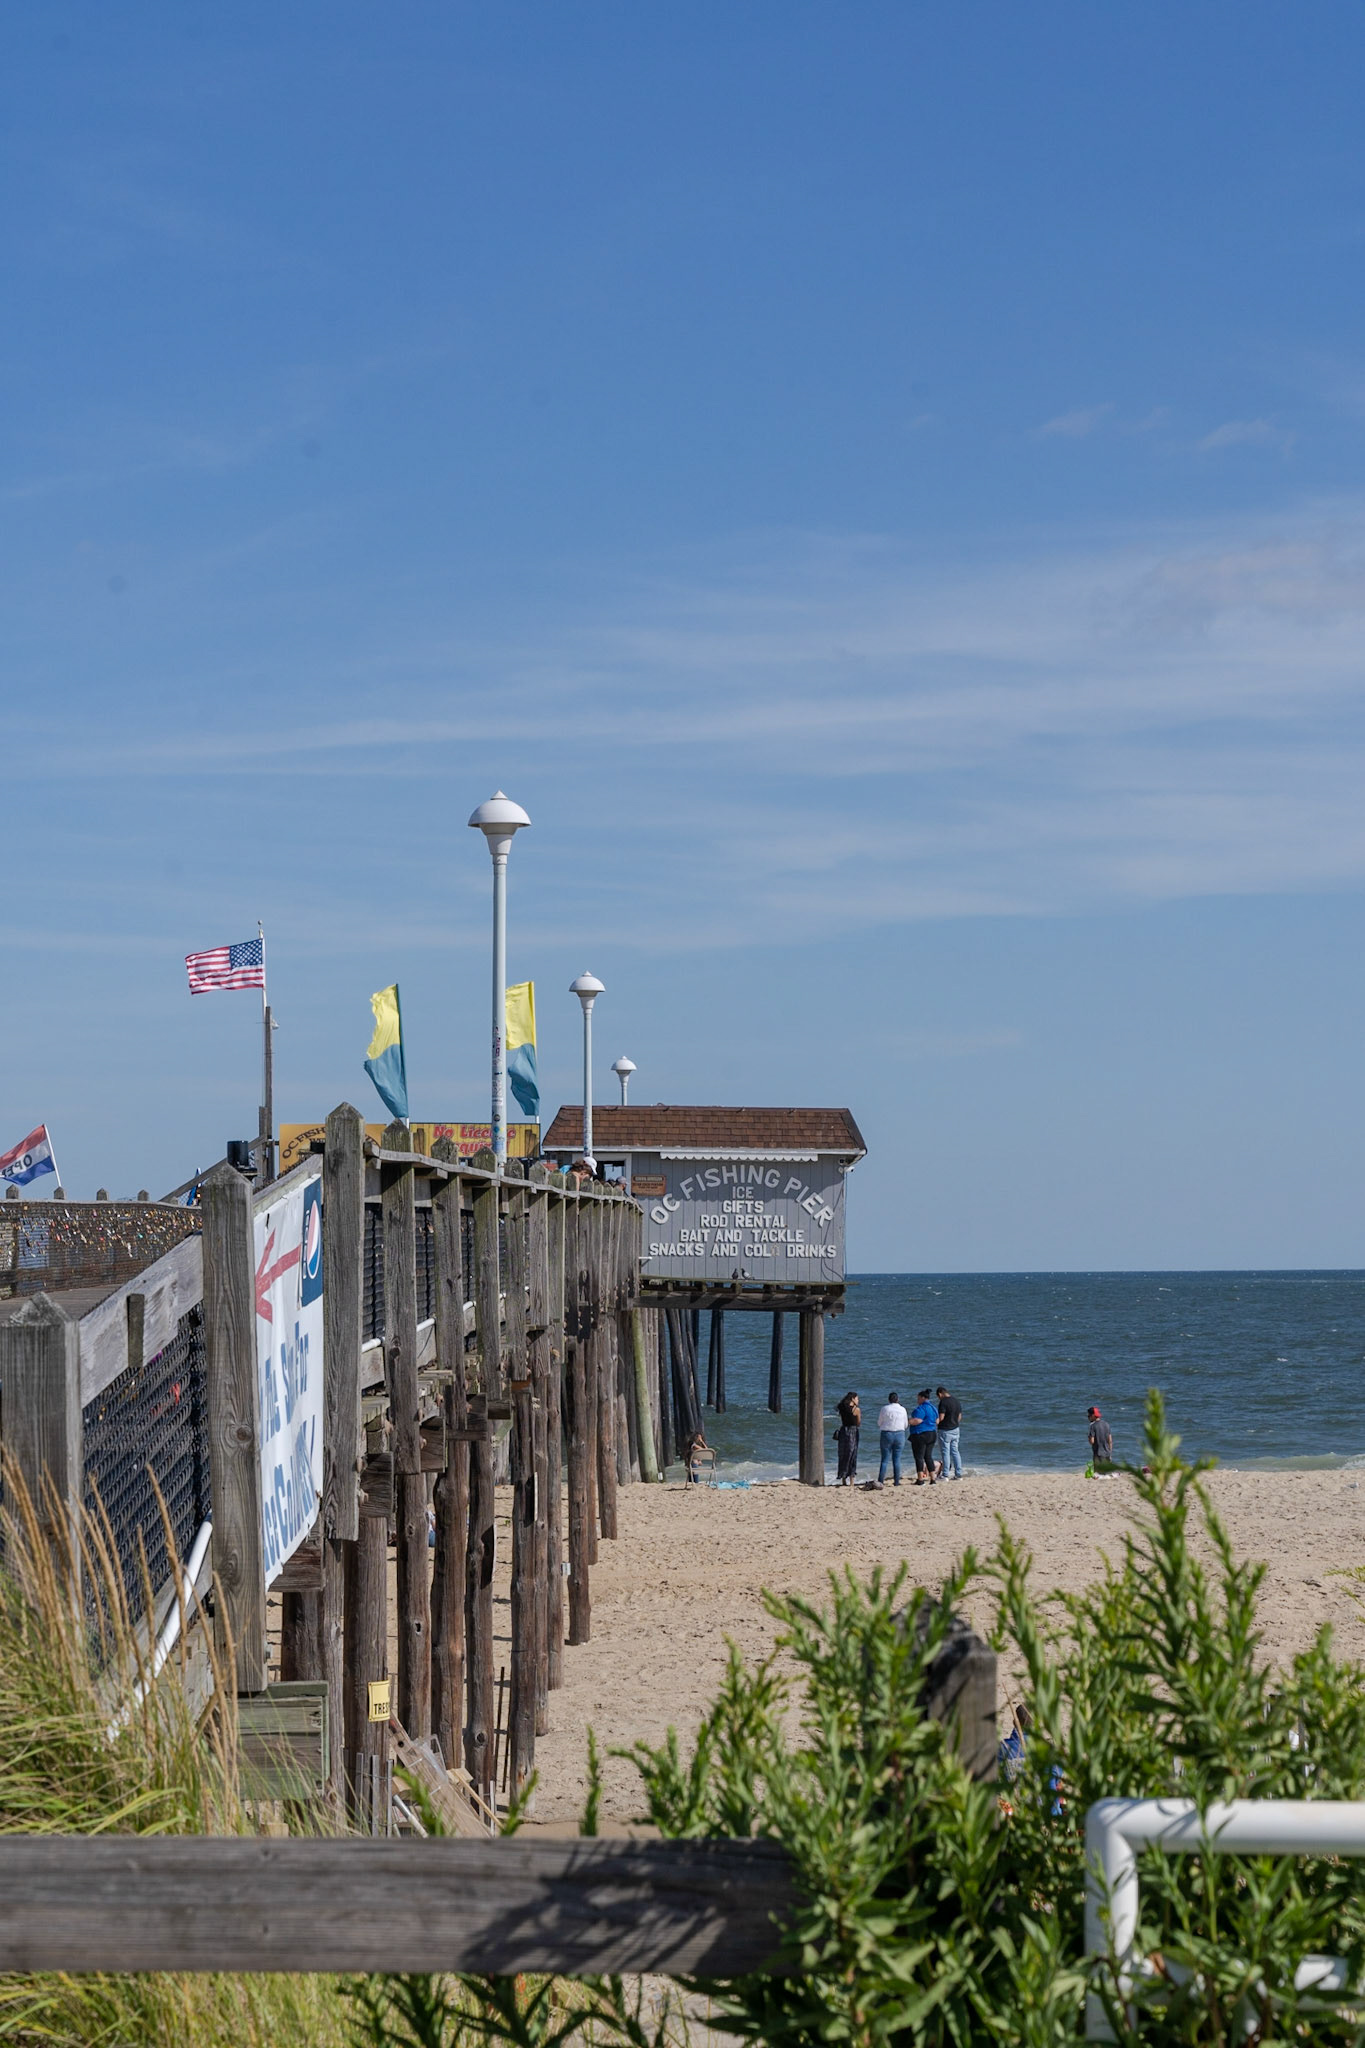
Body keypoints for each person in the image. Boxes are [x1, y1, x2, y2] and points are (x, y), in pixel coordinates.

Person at [876, 1391, 908, 1486]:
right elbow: (906, 1424)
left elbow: (879, 1422)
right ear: (897, 1400)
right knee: (897, 1459)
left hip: (887, 1433)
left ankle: (881, 1481)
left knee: (885, 1459)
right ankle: (897, 1481)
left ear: (889, 1400)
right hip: (899, 1434)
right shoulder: (903, 1409)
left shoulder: (885, 1408)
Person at [909, 1388, 939, 1485]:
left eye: (918, 1398)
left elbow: (918, 1420)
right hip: (932, 1433)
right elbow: (937, 1421)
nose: (917, 1400)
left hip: (921, 1434)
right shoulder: (933, 1408)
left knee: (919, 1457)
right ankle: (933, 1478)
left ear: (922, 1398)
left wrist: (907, 1421)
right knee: (928, 1456)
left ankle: (920, 1479)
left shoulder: (921, 1408)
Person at [936, 1384, 963, 1480]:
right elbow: (959, 1416)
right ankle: (958, 1474)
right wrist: (955, 1423)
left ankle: (945, 1474)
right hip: (955, 1429)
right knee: (955, 1451)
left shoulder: (943, 1402)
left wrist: (935, 1423)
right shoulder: (956, 1401)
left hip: (945, 1430)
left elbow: (941, 1417)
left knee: (945, 1452)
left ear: (940, 1394)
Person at [834, 1391, 861, 1485]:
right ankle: (852, 1481)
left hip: (843, 1431)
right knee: (852, 1455)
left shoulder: (842, 1407)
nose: (858, 1400)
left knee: (843, 1455)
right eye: (857, 1398)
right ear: (853, 1399)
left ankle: (843, 1479)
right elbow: (858, 1423)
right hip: (852, 1432)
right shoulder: (856, 1409)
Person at [1087, 1405, 1114, 1470]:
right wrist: (1110, 1453)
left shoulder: (1092, 1426)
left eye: (1089, 1416)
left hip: (1098, 1454)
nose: (1088, 1418)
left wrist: (1088, 1436)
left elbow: (1092, 1442)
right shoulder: (1107, 1424)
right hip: (1107, 1453)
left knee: (1098, 1474)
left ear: (1093, 1415)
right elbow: (1110, 1440)